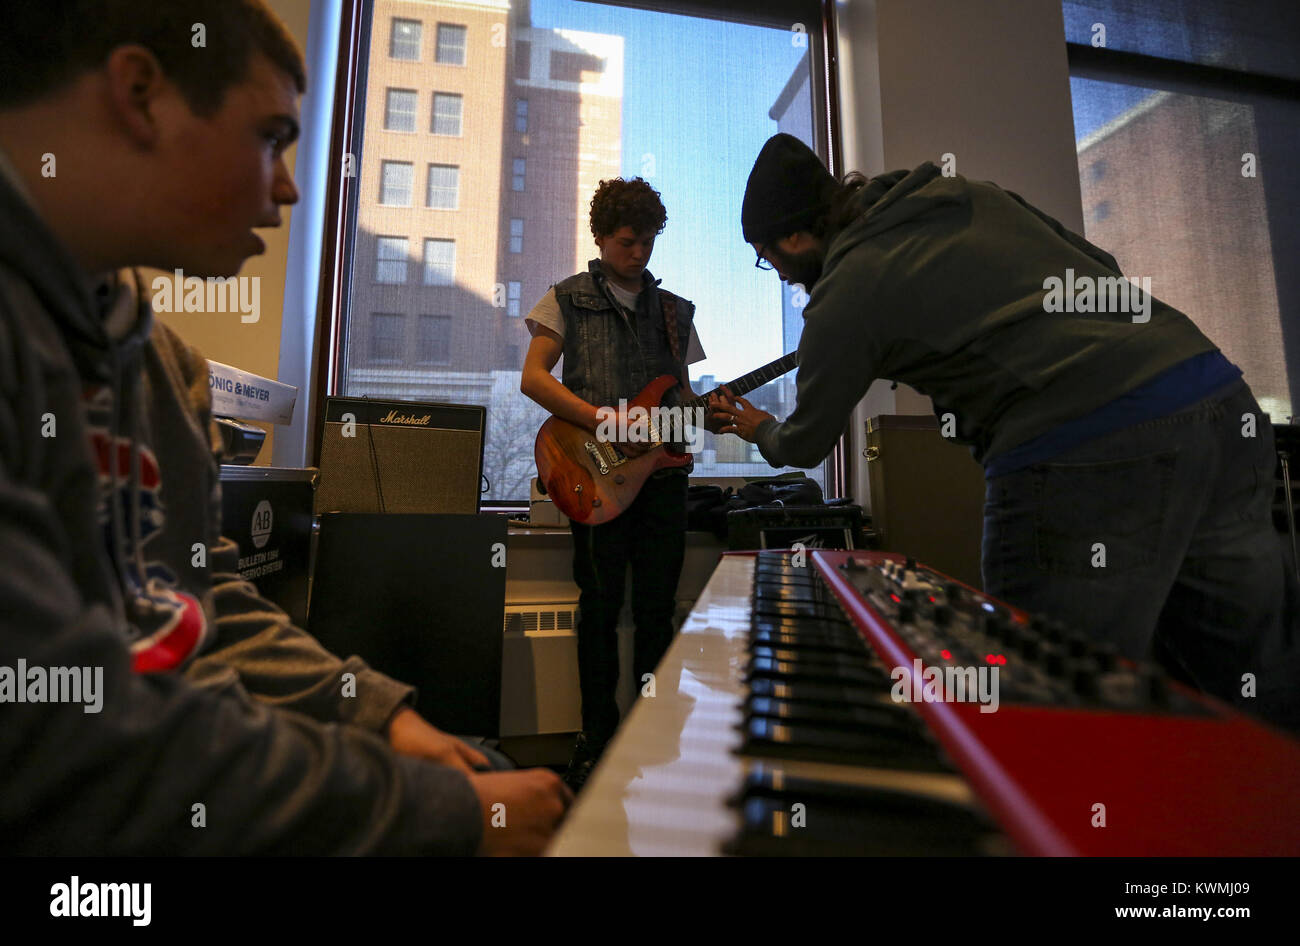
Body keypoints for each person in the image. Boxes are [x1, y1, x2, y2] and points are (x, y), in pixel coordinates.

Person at [0, 0, 570, 854]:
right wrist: (441, 816)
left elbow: (196, 603)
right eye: (271, 137)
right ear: (141, 93)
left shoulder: (163, 365)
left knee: (476, 761)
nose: (291, 185)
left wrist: (375, 715)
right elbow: (55, 733)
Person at [714, 132, 1298, 730]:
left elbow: (806, 442)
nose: (779, 275)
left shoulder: (845, 291)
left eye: (770, 258)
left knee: (1045, 697)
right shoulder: (966, 195)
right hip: (1220, 402)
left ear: (795, 238)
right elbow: (1107, 271)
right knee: (1246, 685)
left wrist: (758, 426)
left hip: (1086, 447)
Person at [521, 178, 720, 788]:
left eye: (649, 241)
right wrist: (602, 417)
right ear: (602, 236)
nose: (640, 253)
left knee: (658, 611)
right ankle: (595, 740)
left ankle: (653, 734)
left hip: (661, 481)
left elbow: (680, 397)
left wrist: (704, 415)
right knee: (600, 609)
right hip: (592, 472)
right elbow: (533, 379)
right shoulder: (565, 298)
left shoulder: (676, 311)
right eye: (628, 241)